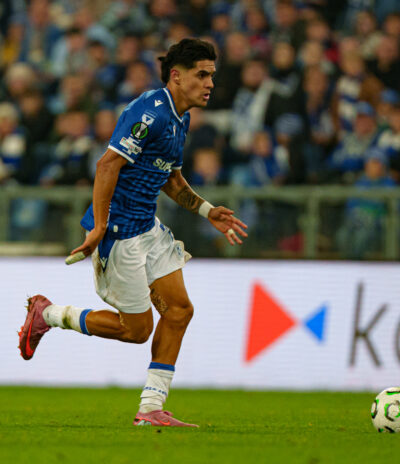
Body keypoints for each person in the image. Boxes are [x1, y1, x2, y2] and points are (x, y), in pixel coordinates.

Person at [17, 38, 247, 427]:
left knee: (179, 311)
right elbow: (107, 165)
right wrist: (99, 226)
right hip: (119, 231)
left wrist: (207, 210)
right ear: (177, 76)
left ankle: (151, 408)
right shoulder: (149, 113)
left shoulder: (181, 117)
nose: (210, 83)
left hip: (147, 226)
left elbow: (169, 177)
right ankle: (49, 314)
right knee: (136, 331)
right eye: (202, 75)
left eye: (212, 75)